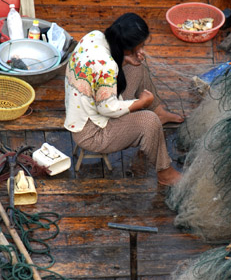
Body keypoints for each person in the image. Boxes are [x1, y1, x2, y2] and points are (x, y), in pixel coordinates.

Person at [64, 12, 183, 186]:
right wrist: (141, 103)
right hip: (92, 131)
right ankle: (165, 173)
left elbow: (103, 74)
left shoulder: (95, 36)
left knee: (136, 68)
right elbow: (107, 109)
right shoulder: (107, 66)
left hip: (91, 104)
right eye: (138, 47)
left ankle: (158, 111)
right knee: (149, 122)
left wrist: (126, 59)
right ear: (125, 48)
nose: (141, 51)